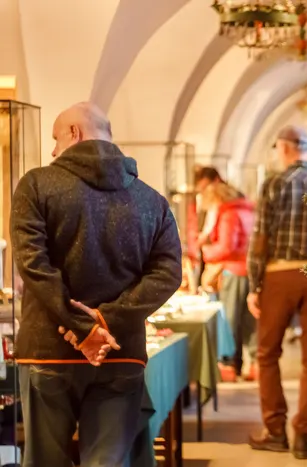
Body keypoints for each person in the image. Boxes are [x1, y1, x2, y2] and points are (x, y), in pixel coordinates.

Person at [10, 102, 182, 466]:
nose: (53, 151)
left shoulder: (36, 185)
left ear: (75, 133)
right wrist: (105, 323)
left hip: (47, 349)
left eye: (55, 139)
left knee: (45, 461)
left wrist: (83, 329)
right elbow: (167, 274)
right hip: (121, 351)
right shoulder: (152, 200)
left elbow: (32, 264)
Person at [247, 125, 307, 460]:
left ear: (286, 148)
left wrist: (253, 285)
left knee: (267, 353)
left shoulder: (273, 184)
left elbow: (260, 239)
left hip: (279, 275)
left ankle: (276, 430)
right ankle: (303, 436)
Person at [199, 182, 257, 382]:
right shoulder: (246, 211)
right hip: (248, 270)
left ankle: (229, 365)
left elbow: (226, 247)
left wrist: (206, 252)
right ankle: (251, 364)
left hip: (233, 271)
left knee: (230, 321)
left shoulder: (229, 214)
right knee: (247, 321)